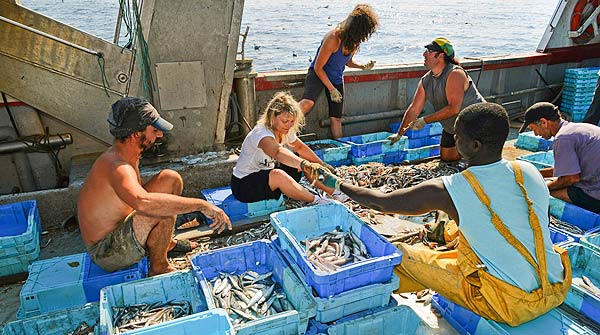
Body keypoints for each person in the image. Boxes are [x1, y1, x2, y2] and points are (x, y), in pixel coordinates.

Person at [319, 102, 571, 326]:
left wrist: (338, 185)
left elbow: (383, 203)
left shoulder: (451, 189)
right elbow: (538, 222)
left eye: (458, 137)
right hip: (557, 285)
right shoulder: (528, 170)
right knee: (454, 231)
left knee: (398, 257)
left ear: (474, 145)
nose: (453, 140)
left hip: (509, 303)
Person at [78, 97, 232, 276]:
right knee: (160, 208)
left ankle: (165, 244)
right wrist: (202, 205)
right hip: (106, 251)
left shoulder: (128, 154)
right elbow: (143, 203)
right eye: (154, 130)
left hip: (122, 226)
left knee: (170, 178)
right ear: (136, 134)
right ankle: (158, 266)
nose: (159, 135)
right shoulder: (118, 167)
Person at [232, 91, 344, 205]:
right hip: (244, 185)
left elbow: (300, 147)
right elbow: (278, 152)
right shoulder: (261, 134)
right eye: (285, 121)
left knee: (306, 159)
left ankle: (336, 193)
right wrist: (305, 164)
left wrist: (321, 164)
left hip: (266, 173)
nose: (289, 125)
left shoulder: (284, 129)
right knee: (280, 174)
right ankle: (317, 201)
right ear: (272, 116)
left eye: (292, 121)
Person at [387, 37, 485, 162]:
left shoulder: (455, 73)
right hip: (453, 127)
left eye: (429, 51)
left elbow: (453, 108)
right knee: (447, 159)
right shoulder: (426, 80)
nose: (424, 54)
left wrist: (424, 120)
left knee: (475, 160)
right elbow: (414, 108)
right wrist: (399, 134)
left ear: (440, 56)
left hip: (476, 124)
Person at [298, 4, 378, 139]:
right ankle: (282, 122)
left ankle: (340, 147)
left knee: (336, 118)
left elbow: (347, 61)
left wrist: (362, 66)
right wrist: (331, 89)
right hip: (318, 73)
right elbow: (318, 67)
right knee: (308, 103)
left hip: (335, 77)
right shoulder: (333, 37)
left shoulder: (354, 41)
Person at [520, 101, 600, 214]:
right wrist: (536, 173)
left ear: (543, 122)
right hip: (594, 180)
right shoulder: (578, 128)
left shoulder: (562, 138)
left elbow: (571, 178)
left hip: (595, 193)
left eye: (533, 129)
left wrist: (542, 188)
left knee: (541, 193)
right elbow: (565, 171)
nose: (536, 134)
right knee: (550, 182)